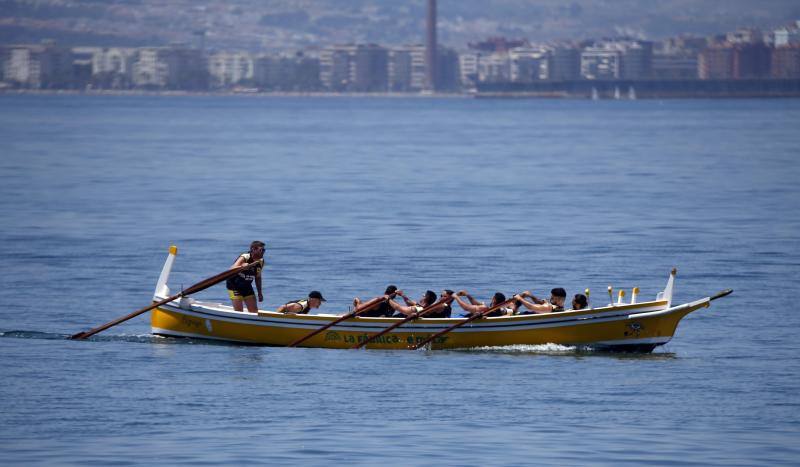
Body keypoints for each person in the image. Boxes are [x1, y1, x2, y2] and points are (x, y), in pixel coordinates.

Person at [225, 241, 265, 313]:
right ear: (253, 249)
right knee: (239, 312)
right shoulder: (245, 257)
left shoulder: (261, 262)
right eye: (261, 250)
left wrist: (260, 293)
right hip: (234, 285)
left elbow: (258, 278)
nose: (263, 252)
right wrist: (242, 266)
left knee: (254, 311)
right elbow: (232, 268)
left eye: (264, 250)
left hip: (246, 286)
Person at [451, 290, 515, 317]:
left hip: (464, 319)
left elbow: (465, 308)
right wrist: (467, 295)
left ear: (494, 300)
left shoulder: (485, 308)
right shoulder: (500, 310)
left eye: (493, 297)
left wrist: (456, 297)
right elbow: (477, 304)